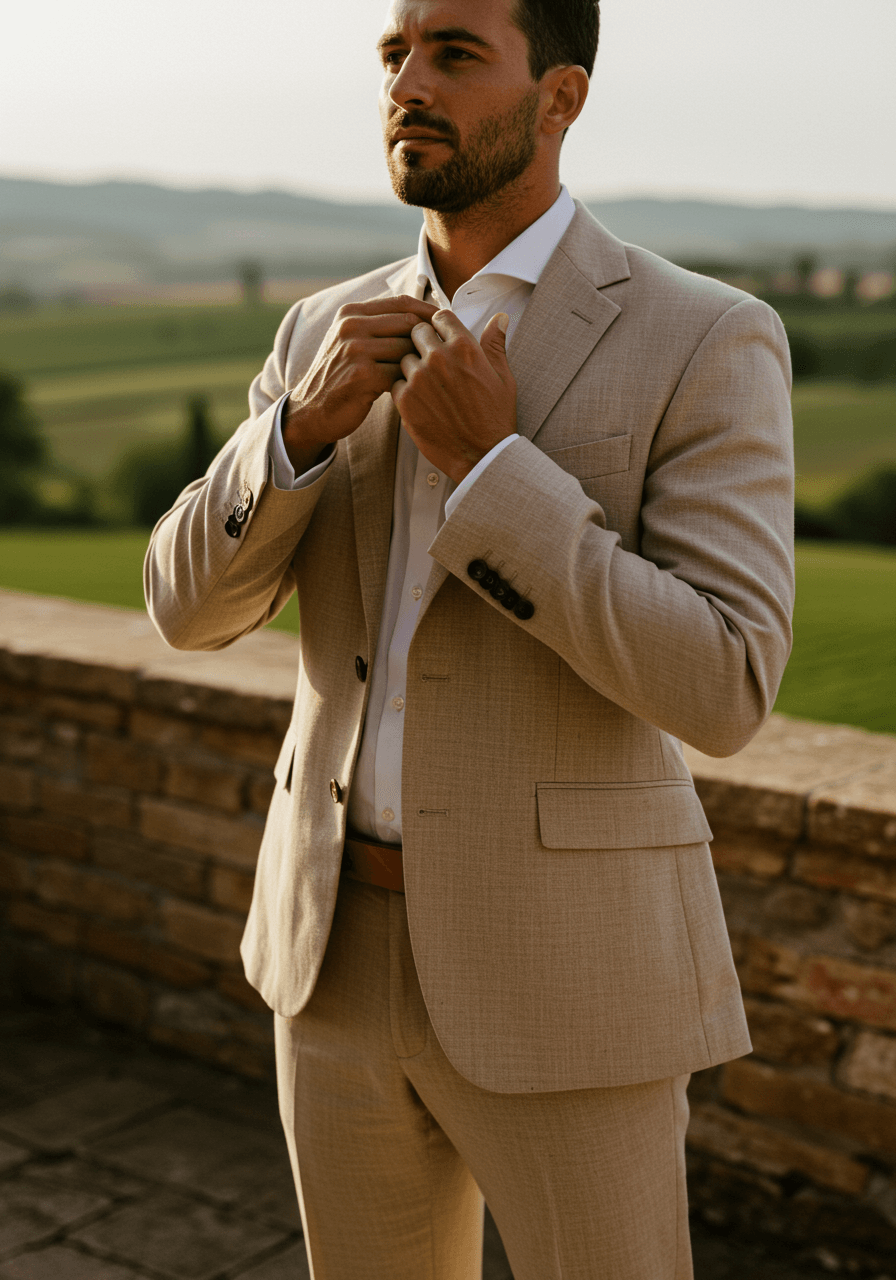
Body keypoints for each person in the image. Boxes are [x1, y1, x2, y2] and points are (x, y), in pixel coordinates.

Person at [144, 0, 795, 1275]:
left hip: (568, 965)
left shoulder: (704, 335)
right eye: (393, 54)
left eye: (452, 54)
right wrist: (298, 433)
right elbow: (186, 606)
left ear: (559, 99)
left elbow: (723, 682)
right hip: (327, 955)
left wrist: (493, 468)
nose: (406, 84)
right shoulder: (319, 331)